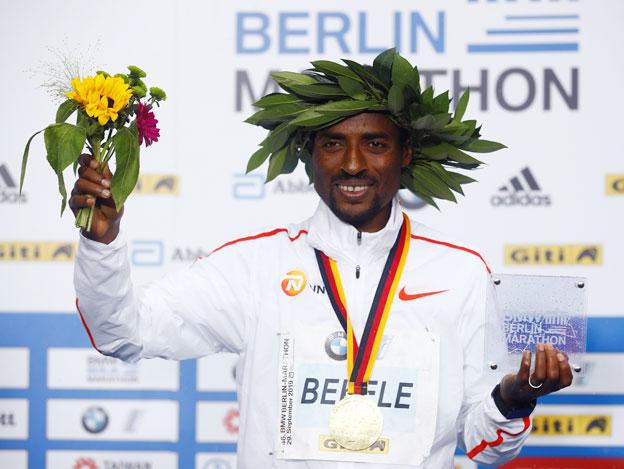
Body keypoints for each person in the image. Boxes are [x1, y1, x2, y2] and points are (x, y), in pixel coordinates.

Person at [70, 50, 573, 468]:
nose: (353, 163)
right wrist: (102, 243)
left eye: (375, 144)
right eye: (333, 144)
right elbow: (124, 332)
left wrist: (514, 396)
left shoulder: (460, 273)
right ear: (309, 155)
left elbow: (484, 443)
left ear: (405, 155)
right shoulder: (255, 265)